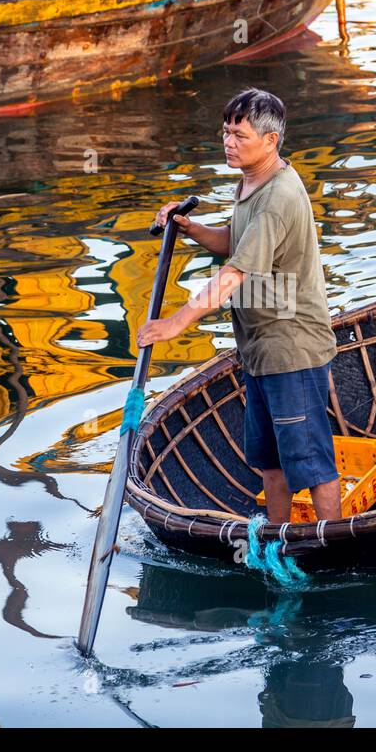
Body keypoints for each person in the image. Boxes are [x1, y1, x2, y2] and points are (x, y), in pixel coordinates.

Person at [136, 88, 340, 522]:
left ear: (270, 141)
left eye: (240, 135)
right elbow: (235, 242)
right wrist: (189, 227)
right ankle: (279, 542)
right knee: (269, 462)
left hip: (292, 348)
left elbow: (232, 276)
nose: (229, 143)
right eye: (226, 132)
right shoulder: (251, 180)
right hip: (259, 347)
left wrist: (176, 323)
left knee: (312, 463)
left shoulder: (277, 199)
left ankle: (332, 543)